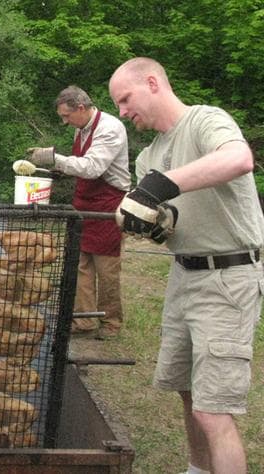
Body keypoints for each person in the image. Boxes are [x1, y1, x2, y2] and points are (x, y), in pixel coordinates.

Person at [110, 57, 264, 474]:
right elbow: (176, 222)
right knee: (188, 393)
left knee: (213, 410)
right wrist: (156, 226)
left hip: (228, 278)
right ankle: (198, 469)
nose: (123, 112)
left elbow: (238, 160)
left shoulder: (205, 121)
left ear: (153, 82)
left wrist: (161, 186)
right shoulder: (149, 157)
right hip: (184, 276)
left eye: (125, 99)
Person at [26, 85, 131, 339]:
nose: (64, 121)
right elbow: (81, 167)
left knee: (106, 267)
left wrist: (55, 159)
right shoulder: (81, 128)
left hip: (109, 202)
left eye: (66, 116)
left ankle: (111, 323)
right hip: (84, 202)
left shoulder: (110, 128)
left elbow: (93, 167)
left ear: (81, 108)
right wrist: (59, 171)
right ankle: (84, 320)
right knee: (80, 263)